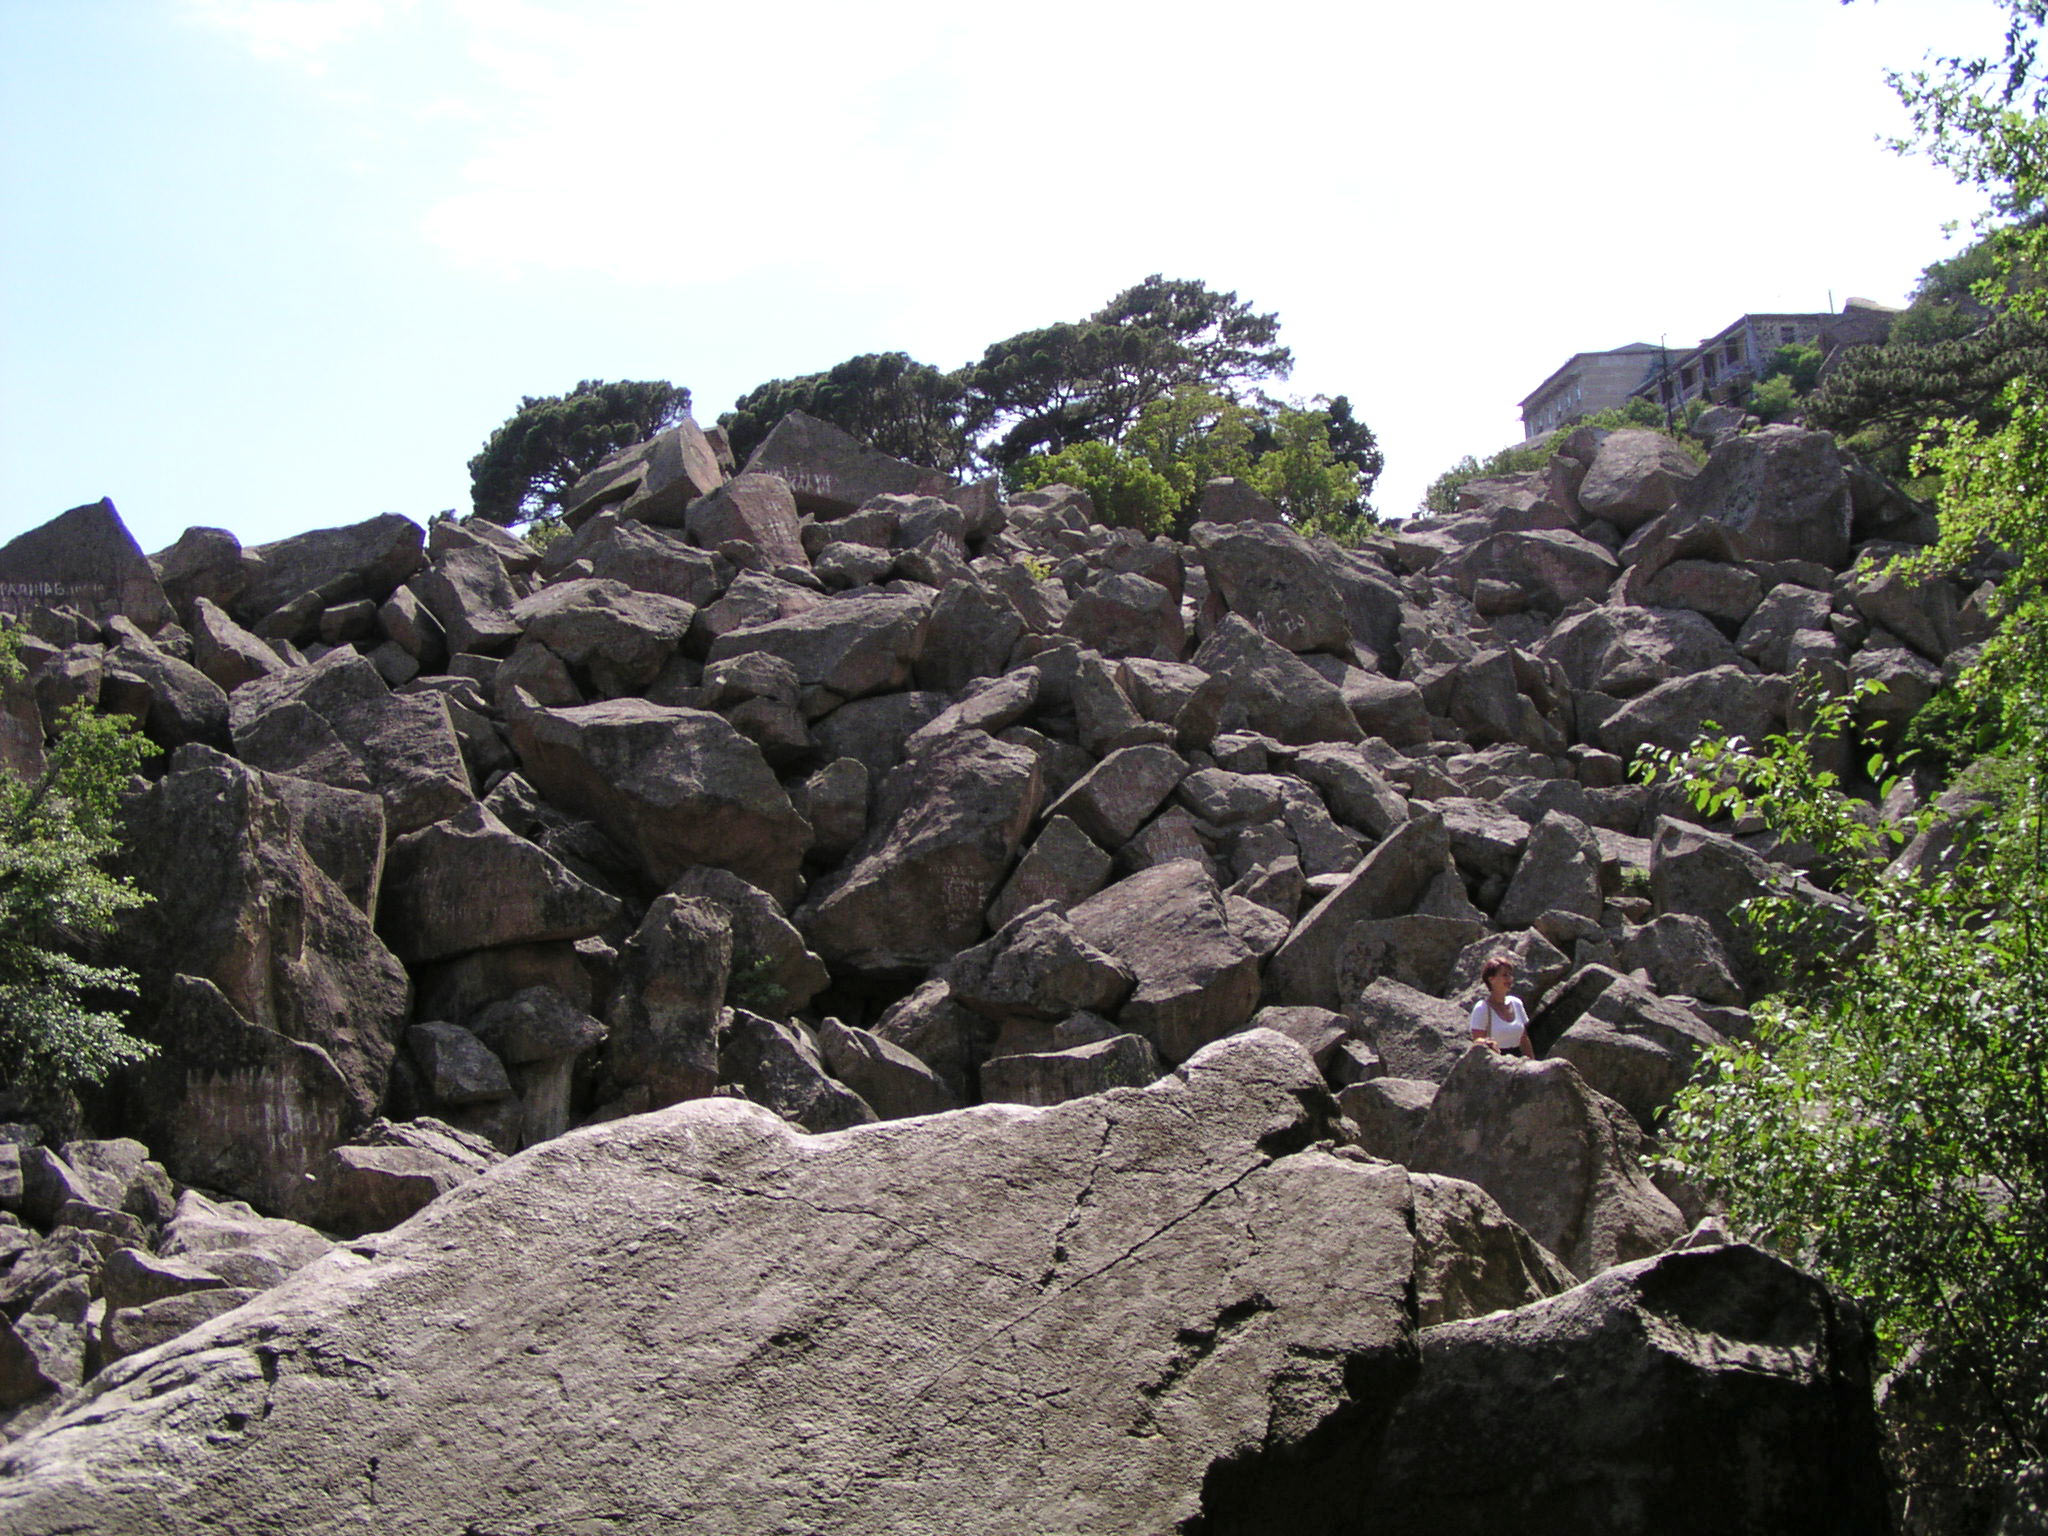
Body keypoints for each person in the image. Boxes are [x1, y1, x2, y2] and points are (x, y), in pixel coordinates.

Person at [1468, 954, 1532, 1057]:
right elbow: (1477, 1043)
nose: (1509, 979)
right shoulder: (1482, 1008)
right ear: (1491, 979)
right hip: (1495, 1061)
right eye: (1504, 975)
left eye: (1510, 975)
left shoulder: (1516, 1003)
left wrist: (1533, 1064)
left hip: (1519, 1060)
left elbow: (1524, 1039)